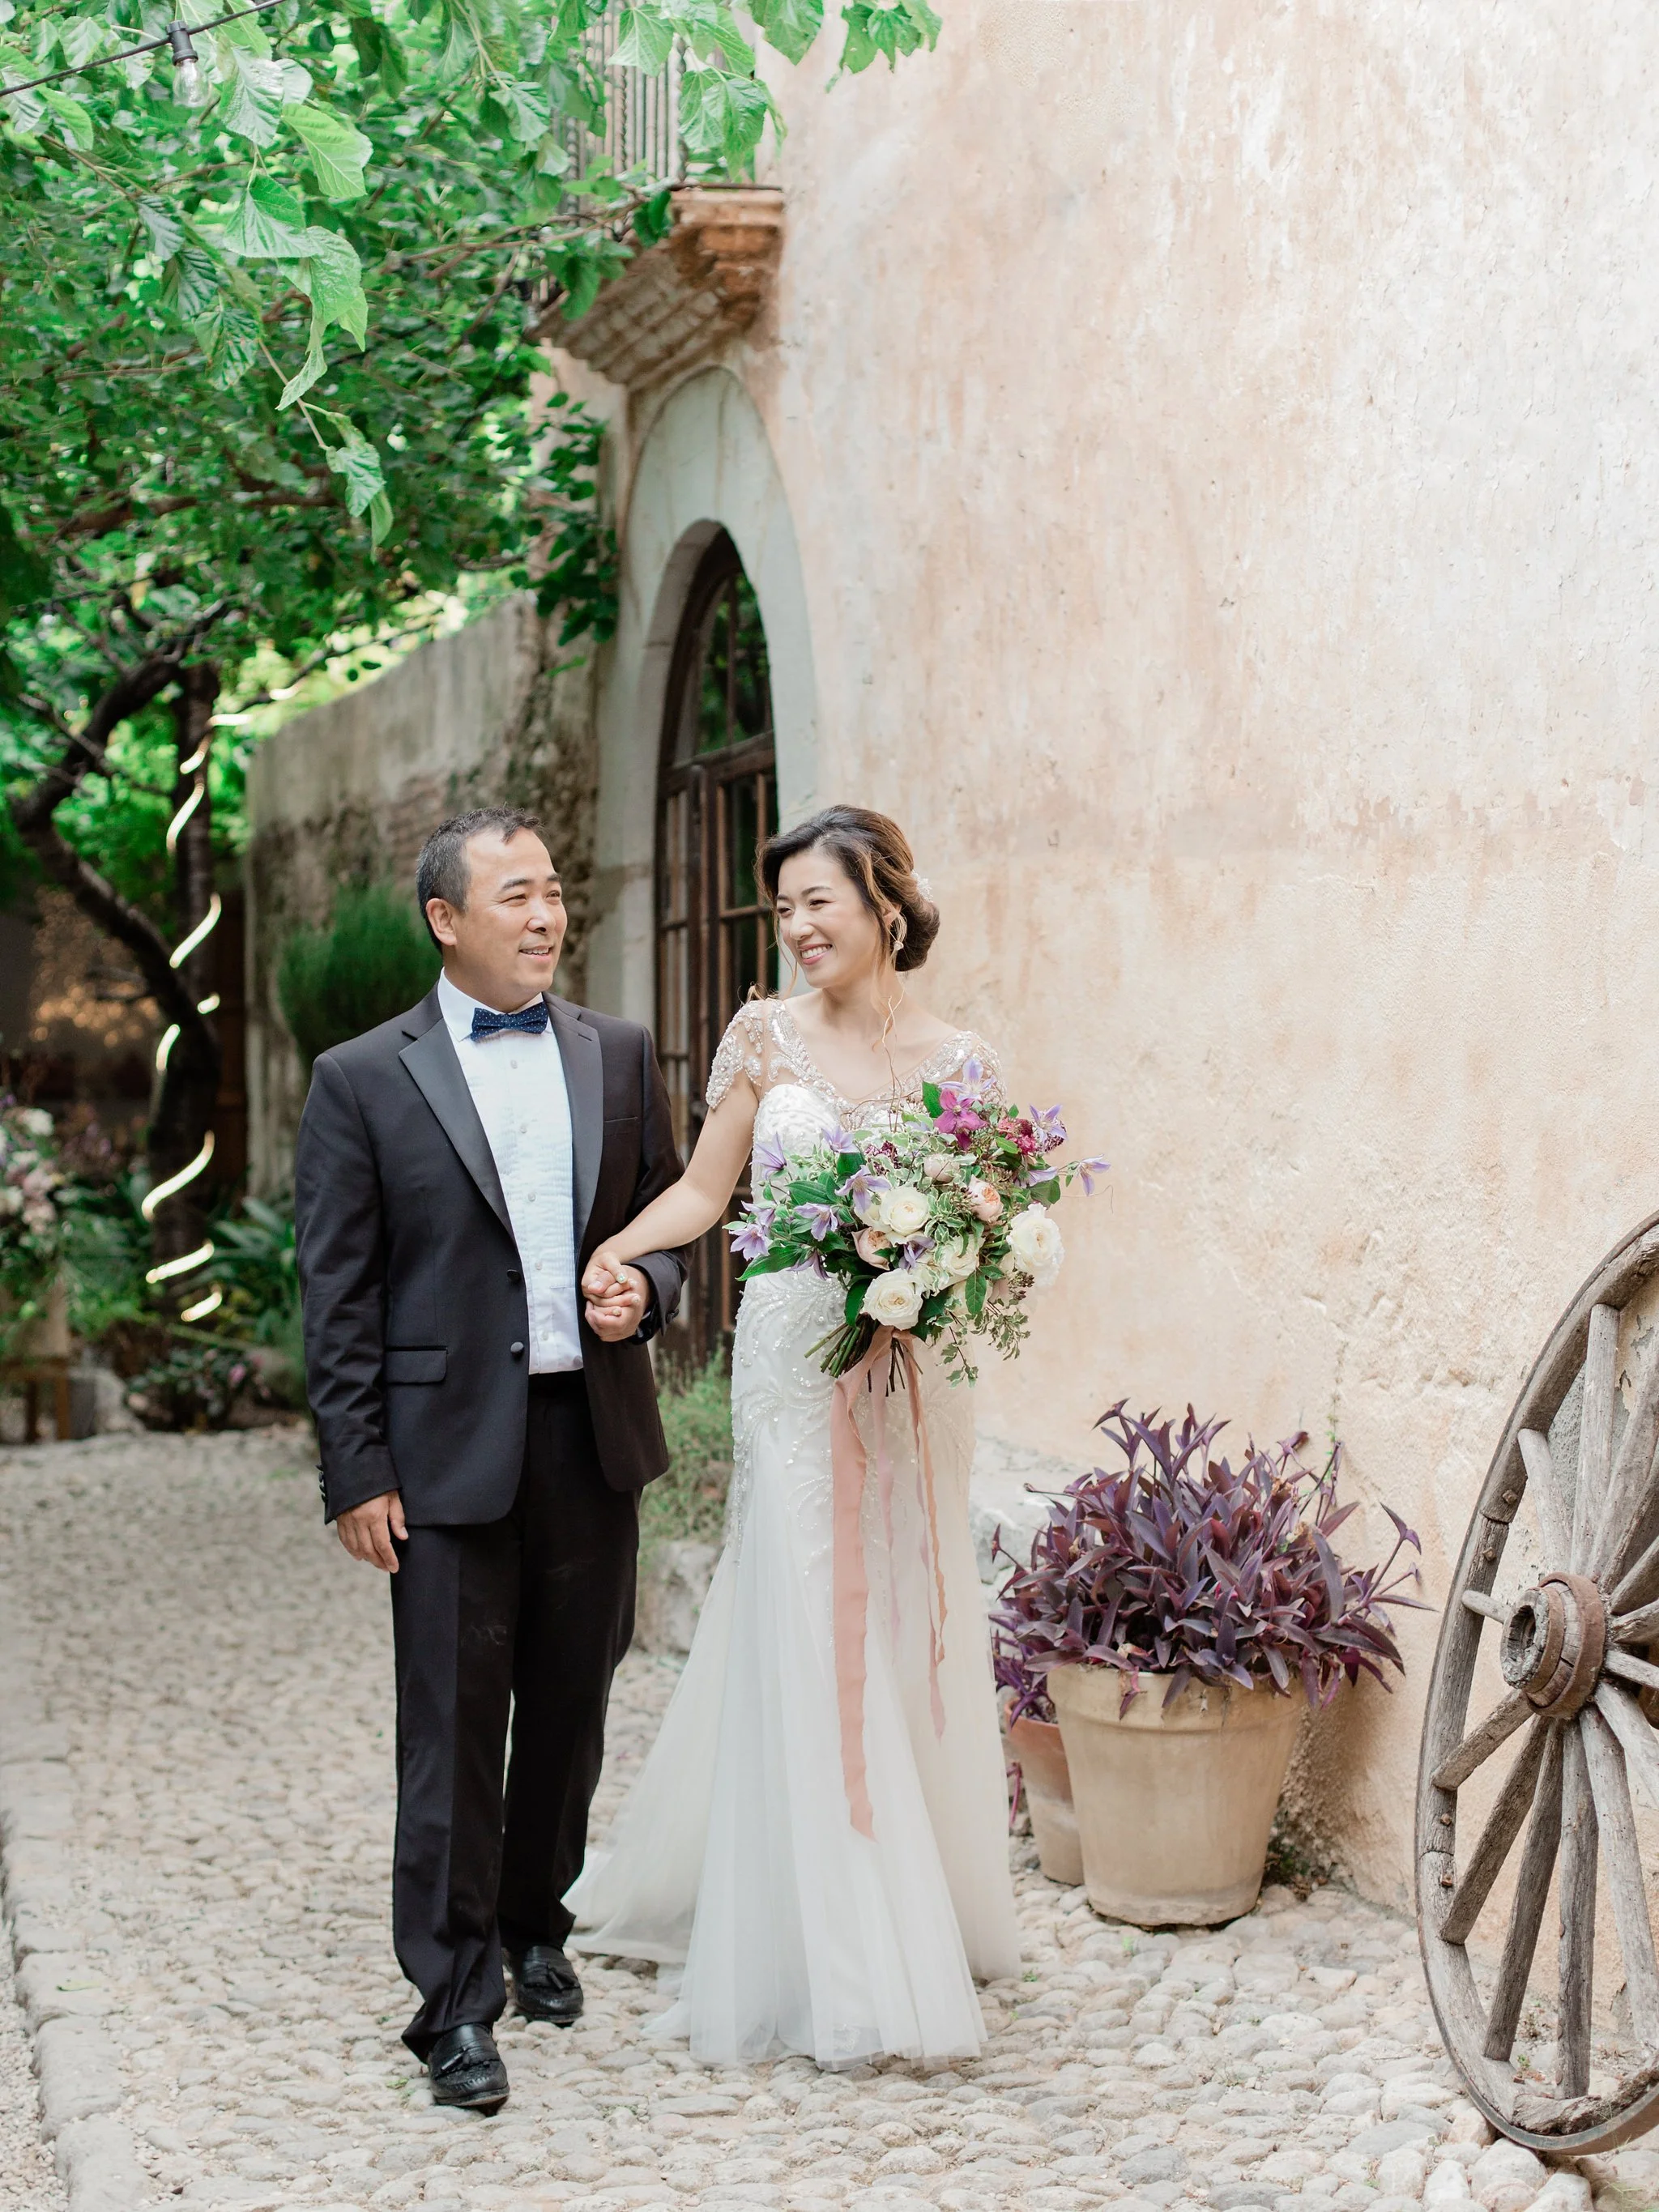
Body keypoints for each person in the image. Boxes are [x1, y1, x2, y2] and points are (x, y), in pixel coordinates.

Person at [571, 804, 1021, 2067]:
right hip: (789, 1366)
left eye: (818, 901)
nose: (798, 927)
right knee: (811, 1596)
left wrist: (940, 1265)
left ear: (884, 901)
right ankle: (834, 1939)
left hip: (909, 1375)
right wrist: (619, 1249)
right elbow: (706, 1189)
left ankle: (921, 1890)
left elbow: (988, 1222)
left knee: (905, 1602)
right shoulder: (763, 1036)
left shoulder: (964, 1063)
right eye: (784, 908)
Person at [292, 808, 686, 2114]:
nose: (545, 914)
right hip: (442, 1453)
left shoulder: (618, 1053)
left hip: (593, 1436)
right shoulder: (360, 1077)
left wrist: (650, 1288)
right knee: (453, 1729)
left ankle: (535, 1924)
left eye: (553, 890)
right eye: (515, 894)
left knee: (571, 1712)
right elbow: (337, 1291)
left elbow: (671, 1219)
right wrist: (356, 1468)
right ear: (445, 918)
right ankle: (454, 2003)